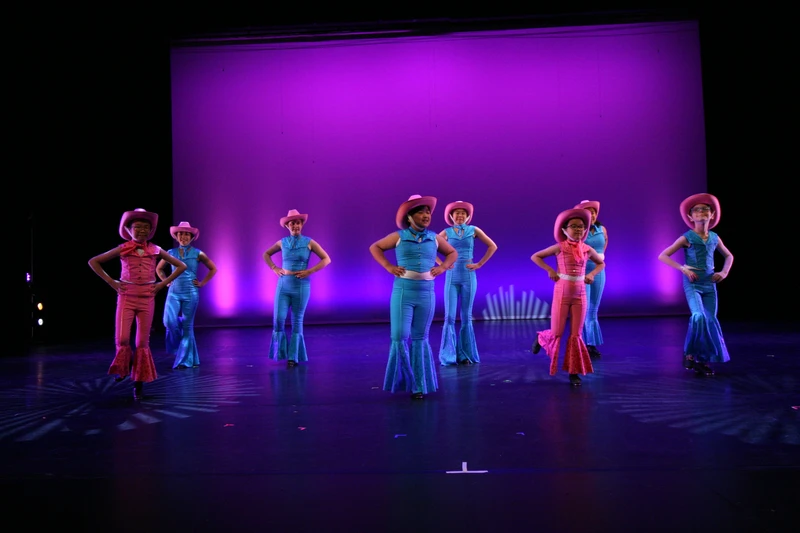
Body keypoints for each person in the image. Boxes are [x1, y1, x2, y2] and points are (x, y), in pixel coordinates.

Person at [88, 208, 187, 399]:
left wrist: (162, 285)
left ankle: (138, 383)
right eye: (137, 227)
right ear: (129, 229)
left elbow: (181, 266)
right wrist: (111, 282)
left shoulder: (155, 249)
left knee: (141, 342)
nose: (141, 231)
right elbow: (94, 262)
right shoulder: (123, 248)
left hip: (147, 297)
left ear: (150, 231)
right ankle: (124, 368)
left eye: (145, 228)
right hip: (127, 296)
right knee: (123, 339)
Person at [369, 195, 458, 399]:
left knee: (420, 338)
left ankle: (419, 385)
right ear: (409, 216)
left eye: (428, 212)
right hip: (403, 292)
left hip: (427, 293)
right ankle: (403, 380)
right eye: (421, 211)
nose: (426, 215)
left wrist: (443, 267)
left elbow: (452, 253)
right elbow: (375, 247)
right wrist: (389, 266)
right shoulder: (399, 236)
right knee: (400, 336)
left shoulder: (434, 237)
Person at [658, 193, 733, 376]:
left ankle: (703, 360)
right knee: (698, 316)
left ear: (712, 215)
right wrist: (683, 269)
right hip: (693, 282)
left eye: (705, 209)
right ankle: (690, 353)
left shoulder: (715, 237)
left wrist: (723, 272)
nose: (701, 212)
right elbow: (663, 255)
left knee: (710, 320)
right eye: (697, 210)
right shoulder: (687, 237)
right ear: (690, 217)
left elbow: (729, 256)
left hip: (709, 283)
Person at [531, 208, 605, 386]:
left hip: (580, 293)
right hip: (562, 292)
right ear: (564, 230)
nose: (578, 230)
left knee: (576, 335)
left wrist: (592, 274)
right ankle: (541, 338)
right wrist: (550, 270)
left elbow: (601, 263)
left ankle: (574, 372)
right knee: (557, 332)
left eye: (581, 227)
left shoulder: (587, 249)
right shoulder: (559, 247)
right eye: (574, 226)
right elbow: (536, 256)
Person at [263, 209, 331, 367]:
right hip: (283, 285)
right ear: (287, 225)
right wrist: (274, 268)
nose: (295, 225)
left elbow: (326, 259)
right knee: (278, 319)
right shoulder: (282, 242)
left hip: (301, 286)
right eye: (292, 223)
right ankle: (279, 352)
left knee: (297, 321)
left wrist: (310, 271)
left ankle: (293, 357)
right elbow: (266, 254)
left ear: (302, 225)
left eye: (298, 223)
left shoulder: (309, 242)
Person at [436, 201, 498, 365]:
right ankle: (448, 355)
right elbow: (431, 246)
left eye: (463, 213)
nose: (460, 216)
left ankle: (465, 354)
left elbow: (492, 246)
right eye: (456, 213)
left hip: (468, 276)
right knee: (449, 316)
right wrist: (441, 263)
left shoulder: (474, 230)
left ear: (468, 216)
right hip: (451, 277)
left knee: (466, 316)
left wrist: (479, 264)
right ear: (451, 216)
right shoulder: (447, 232)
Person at [156, 221, 218, 370]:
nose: (183, 236)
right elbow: (159, 269)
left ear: (191, 237)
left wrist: (202, 283)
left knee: (187, 327)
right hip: (174, 292)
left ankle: (185, 360)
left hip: (191, 292)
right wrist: (166, 282)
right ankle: (182, 348)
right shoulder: (170, 253)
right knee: (168, 321)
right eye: (180, 234)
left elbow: (213, 268)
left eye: (186, 234)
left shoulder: (198, 253)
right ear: (176, 236)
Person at [574, 200, 607, 360]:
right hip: (582, 272)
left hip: (598, 271)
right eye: (588, 211)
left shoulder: (601, 229)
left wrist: (598, 260)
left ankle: (591, 344)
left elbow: (604, 247)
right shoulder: (579, 231)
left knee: (594, 309)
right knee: (585, 309)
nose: (592, 214)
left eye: (593, 211)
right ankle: (581, 343)